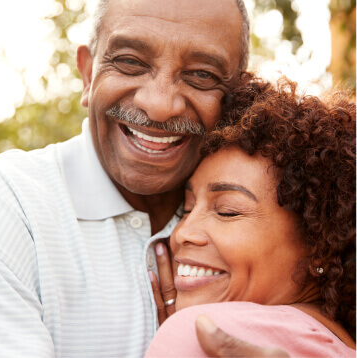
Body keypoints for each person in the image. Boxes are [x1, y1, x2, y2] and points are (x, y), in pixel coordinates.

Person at [0, 0, 257, 356]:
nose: (159, 105)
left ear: (241, 97)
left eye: (202, 75)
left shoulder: (268, 225)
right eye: (130, 62)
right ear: (87, 76)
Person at [147, 74, 356, 357]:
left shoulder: (201, 333)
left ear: (320, 248)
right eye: (186, 209)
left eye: (227, 211)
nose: (181, 232)